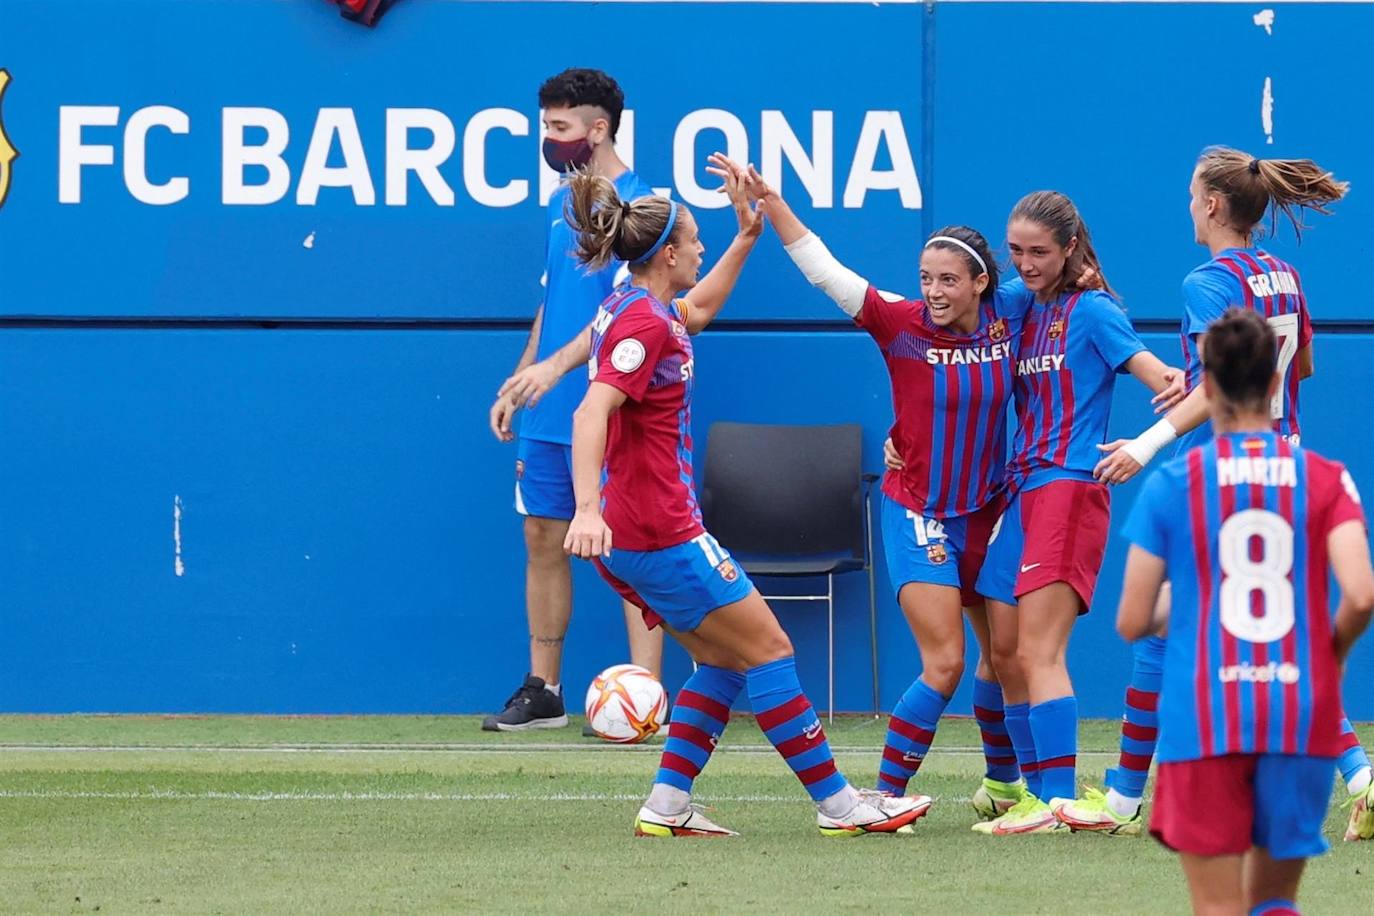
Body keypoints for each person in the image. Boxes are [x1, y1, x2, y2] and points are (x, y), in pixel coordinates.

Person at [563, 160, 928, 838]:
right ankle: (841, 805)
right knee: (770, 650)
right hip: (658, 532)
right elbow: (591, 415)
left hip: (644, 531)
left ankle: (668, 805)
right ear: (667, 253)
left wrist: (745, 237)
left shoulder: (636, 307)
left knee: (726, 659)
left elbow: (695, 313)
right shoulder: (641, 325)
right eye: (696, 240)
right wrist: (585, 508)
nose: (702, 248)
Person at [1060, 148, 1373, 840]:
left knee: (1192, 623)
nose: (1188, 206)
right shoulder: (1283, 274)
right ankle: (1124, 795)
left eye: (1191, 195)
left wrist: (1145, 443)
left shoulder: (1206, 280)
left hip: (1233, 473)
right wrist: (1198, 380)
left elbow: (1222, 386)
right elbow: (1303, 367)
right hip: (1288, 460)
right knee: (1218, 627)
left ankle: (1357, 774)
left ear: (1211, 206)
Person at [720, 158, 1036, 819]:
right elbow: (822, 267)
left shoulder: (1014, 310)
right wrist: (773, 203)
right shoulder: (900, 321)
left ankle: (1005, 789)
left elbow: (1066, 277)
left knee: (1008, 656)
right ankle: (883, 797)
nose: (936, 291)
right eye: (927, 279)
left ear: (983, 282)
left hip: (991, 512)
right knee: (946, 661)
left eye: (950, 279)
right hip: (918, 510)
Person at [1114, 308, 1374, 915]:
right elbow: (1361, 595)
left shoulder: (1174, 483)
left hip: (1205, 716)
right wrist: (1328, 655)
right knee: (1275, 902)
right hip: (1298, 710)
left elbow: (1131, 619)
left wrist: (1195, 591)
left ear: (1205, 384)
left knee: (1220, 908)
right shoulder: (1326, 478)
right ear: (1278, 381)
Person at [969, 191, 1185, 835]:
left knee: (1038, 651)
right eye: (1016, 251)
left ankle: (1056, 800)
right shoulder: (1015, 304)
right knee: (1004, 653)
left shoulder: (1093, 310)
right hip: (1021, 492)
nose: (1027, 263)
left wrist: (1159, 419)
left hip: (1068, 488)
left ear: (1069, 248)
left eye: (1040, 252)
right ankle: (1037, 795)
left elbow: (1163, 376)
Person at [483, 68, 663, 732]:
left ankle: (644, 696)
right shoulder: (564, 204)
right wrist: (521, 378)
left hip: (614, 407)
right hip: (549, 409)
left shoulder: (643, 207)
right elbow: (554, 300)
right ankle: (545, 689)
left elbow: (627, 309)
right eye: (546, 127)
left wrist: (557, 369)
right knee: (542, 536)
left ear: (599, 127)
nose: (550, 140)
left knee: (632, 548)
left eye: (559, 128)